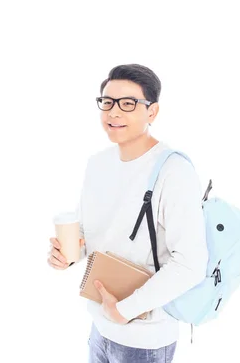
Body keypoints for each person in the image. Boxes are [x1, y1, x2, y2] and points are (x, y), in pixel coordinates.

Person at [48, 64, 208, 363]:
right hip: (99, 326)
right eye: (107, 102)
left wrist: (124, 311)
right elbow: (91, 235)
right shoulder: (97, 164)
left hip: (144, 338)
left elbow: (191, 264)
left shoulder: (173, 171)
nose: (114, 112)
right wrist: (69, 254)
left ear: (152, 111)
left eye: (128, 103)